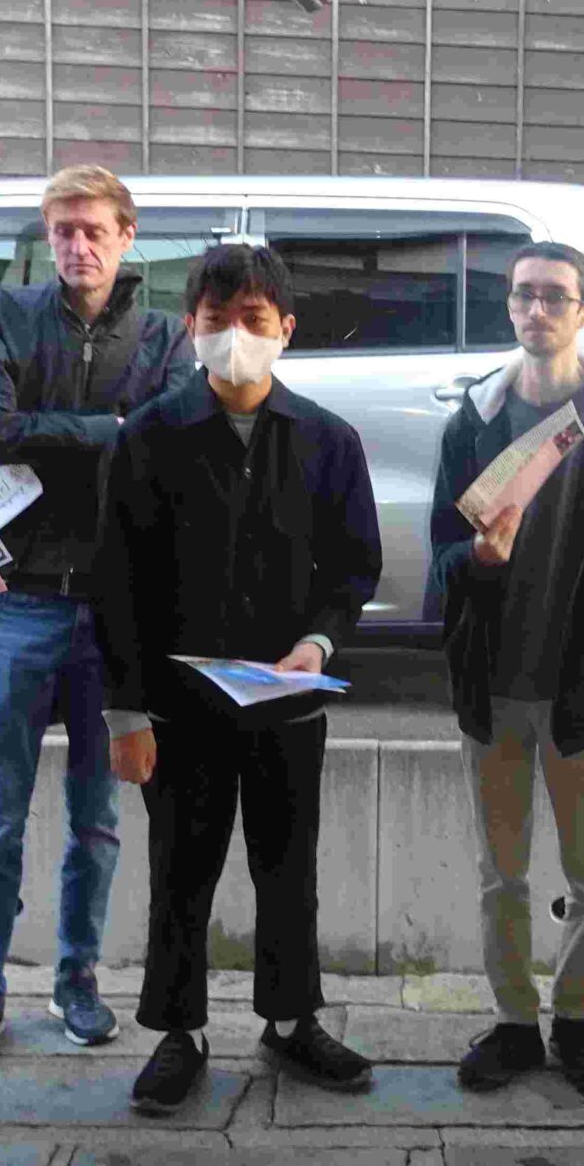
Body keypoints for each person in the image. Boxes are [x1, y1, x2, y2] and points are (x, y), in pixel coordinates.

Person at [97, 242, 383, 1112]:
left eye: (253, 319)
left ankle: (291, 1021)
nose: (234, 336)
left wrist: (320, 644)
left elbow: (354, 568)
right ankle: (178, 1033)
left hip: (286, 704)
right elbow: (117, 583)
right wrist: (125, 714)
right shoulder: (149, 437)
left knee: (288, 871)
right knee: (180, 872)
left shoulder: (327, 440)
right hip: (179, 709)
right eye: (216, 320)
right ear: (190, 327)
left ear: (285, 329)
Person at [0, 165, 191, 1070]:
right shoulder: (5, 314)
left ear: (126, 237)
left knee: (97, 816)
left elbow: (163, 444)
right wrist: (106, 428)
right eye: (62, 231)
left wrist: (63, 428)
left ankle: (78, 981)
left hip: (115, 606)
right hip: (22, 596)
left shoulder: (164, 333)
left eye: (93, 231)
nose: (77, 246)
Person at [427, 241, 584, 1096]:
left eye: (554, 297)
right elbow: (440, 555)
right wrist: (475, 563)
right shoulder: (474, 420)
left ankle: (576, 1019)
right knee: (501, 875)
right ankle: (513, 1025)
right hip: (493, 686)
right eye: (522, 295)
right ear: (509, 307)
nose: (536, 310)